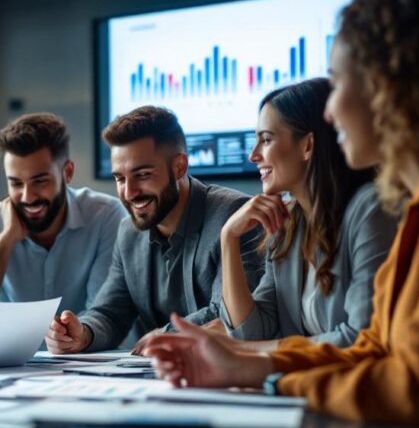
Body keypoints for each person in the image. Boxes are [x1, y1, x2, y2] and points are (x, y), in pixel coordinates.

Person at [145, 0, 419, 428]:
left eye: (340, 85)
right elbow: (374, 350)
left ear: (394, 86)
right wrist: (235, 366)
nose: (332, 112)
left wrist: (271, 381)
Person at [45, 105, 263, 354]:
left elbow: (229, 315)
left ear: (179, 167)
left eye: (143, 174)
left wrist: (166, 335)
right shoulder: (129, 232)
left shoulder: (234, 216)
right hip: (159, 379)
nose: (129, 192)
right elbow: (110, 312)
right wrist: (82, 333)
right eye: (120, 178)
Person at [218, 78, 396, 350]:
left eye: (266, 139)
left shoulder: (369, 209)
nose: (254, 155)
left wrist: (248, 351)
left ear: (307, 146)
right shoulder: (287, 224)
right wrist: (228, 238)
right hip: (303, 386)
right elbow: (250, 334)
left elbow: (360, 336)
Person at [0, 113, 126, 314]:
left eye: (40, 181)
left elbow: (103, 310)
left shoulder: (105, 216)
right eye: (16, 183)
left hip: (84, 345)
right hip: (12, 347)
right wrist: (7, 239)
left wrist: (70, 338)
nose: (27, 197)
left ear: (67, 172)